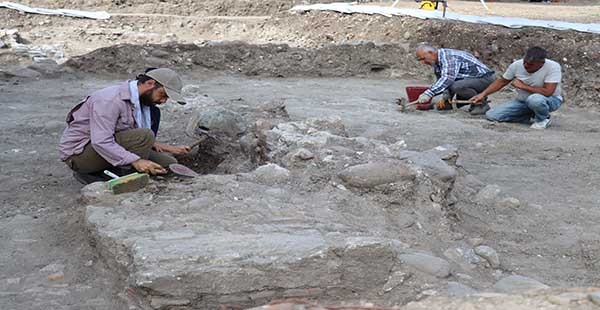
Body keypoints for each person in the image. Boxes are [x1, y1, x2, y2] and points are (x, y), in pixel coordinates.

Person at [59, 67, 191, 184]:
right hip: (80, 155)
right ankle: (121, 178)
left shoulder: (140, 103)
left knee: (168, 164)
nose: (163, 101)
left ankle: (113, 171)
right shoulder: (110, 100)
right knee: (144, 136)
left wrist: (168, 148)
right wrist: (136, 161)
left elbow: (127, 133)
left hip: (105, 148)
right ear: (150, 83)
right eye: (162, 95)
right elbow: (101, 141)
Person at [470, 46, 562, 129]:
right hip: (523, 101)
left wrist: (523, 86)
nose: (526, 65)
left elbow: (548, 92)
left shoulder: (553, 67)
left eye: (530, 64)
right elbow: (502, 81)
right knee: (492, 115)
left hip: (550, 100)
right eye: (525, 62)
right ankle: (531, 114)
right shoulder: (517, 65)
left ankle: (542, 119)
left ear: (541, 63)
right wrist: (483, 94)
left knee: (535, 99)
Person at [415, 43, 495, 115]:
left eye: (423, 59)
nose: (423, 62)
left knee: (456, 86)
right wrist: (446, 99)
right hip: (469, 80)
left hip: (484, 79)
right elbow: (442, 82)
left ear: (430, 53)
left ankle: (481, 105)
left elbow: (448, 79)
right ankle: (449, 104)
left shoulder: (449, 57)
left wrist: (428, 94)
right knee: (453, 90)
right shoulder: (437, 63)